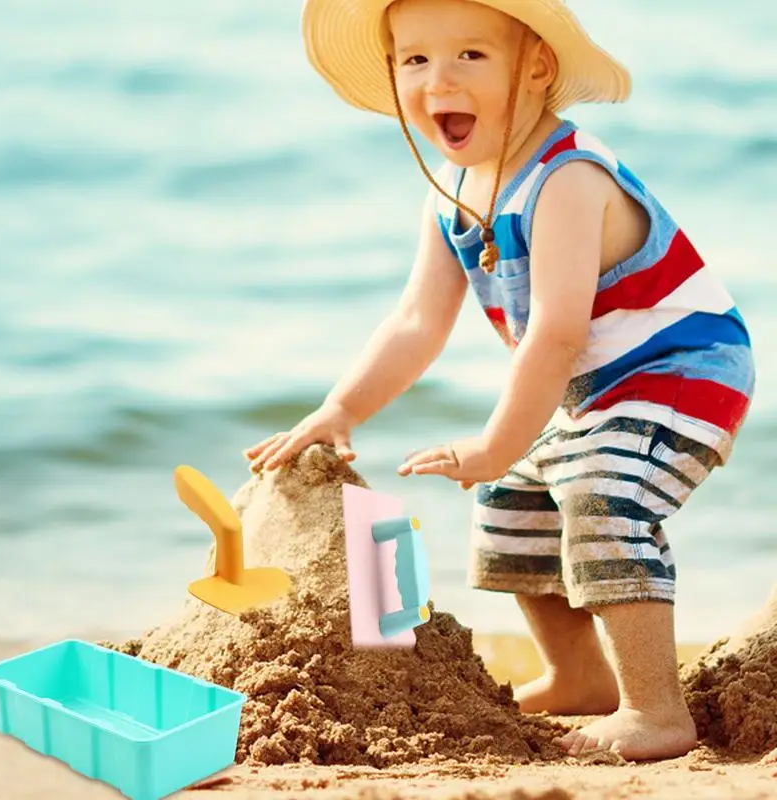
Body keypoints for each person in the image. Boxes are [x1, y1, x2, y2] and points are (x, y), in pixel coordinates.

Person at [246, 0, 756, 761]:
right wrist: (340, 407)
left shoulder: (567, 177)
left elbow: (555, 332)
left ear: (537, 68)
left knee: (600, 492)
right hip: (598, 388)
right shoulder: (451, 192)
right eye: (415, 60)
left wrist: (491, 439)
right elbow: (418, 321)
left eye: (471, 57)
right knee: (513, 497)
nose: (438, 78)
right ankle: (579, 676)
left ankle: (656, 709)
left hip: (682, 368)